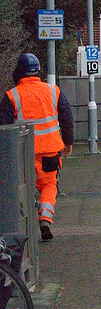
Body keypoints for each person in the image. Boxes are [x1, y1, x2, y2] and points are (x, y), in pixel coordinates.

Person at [0, 53, 74, 241]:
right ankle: (45, 218)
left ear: (18, 72)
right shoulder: (53, 91)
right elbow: (66, 116)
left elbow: (4, 124)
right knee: (49, 186)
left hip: (22, 153)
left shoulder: (12, 95)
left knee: (21, 188)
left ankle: (19, 229)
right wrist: (68, 141)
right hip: (50, 150)